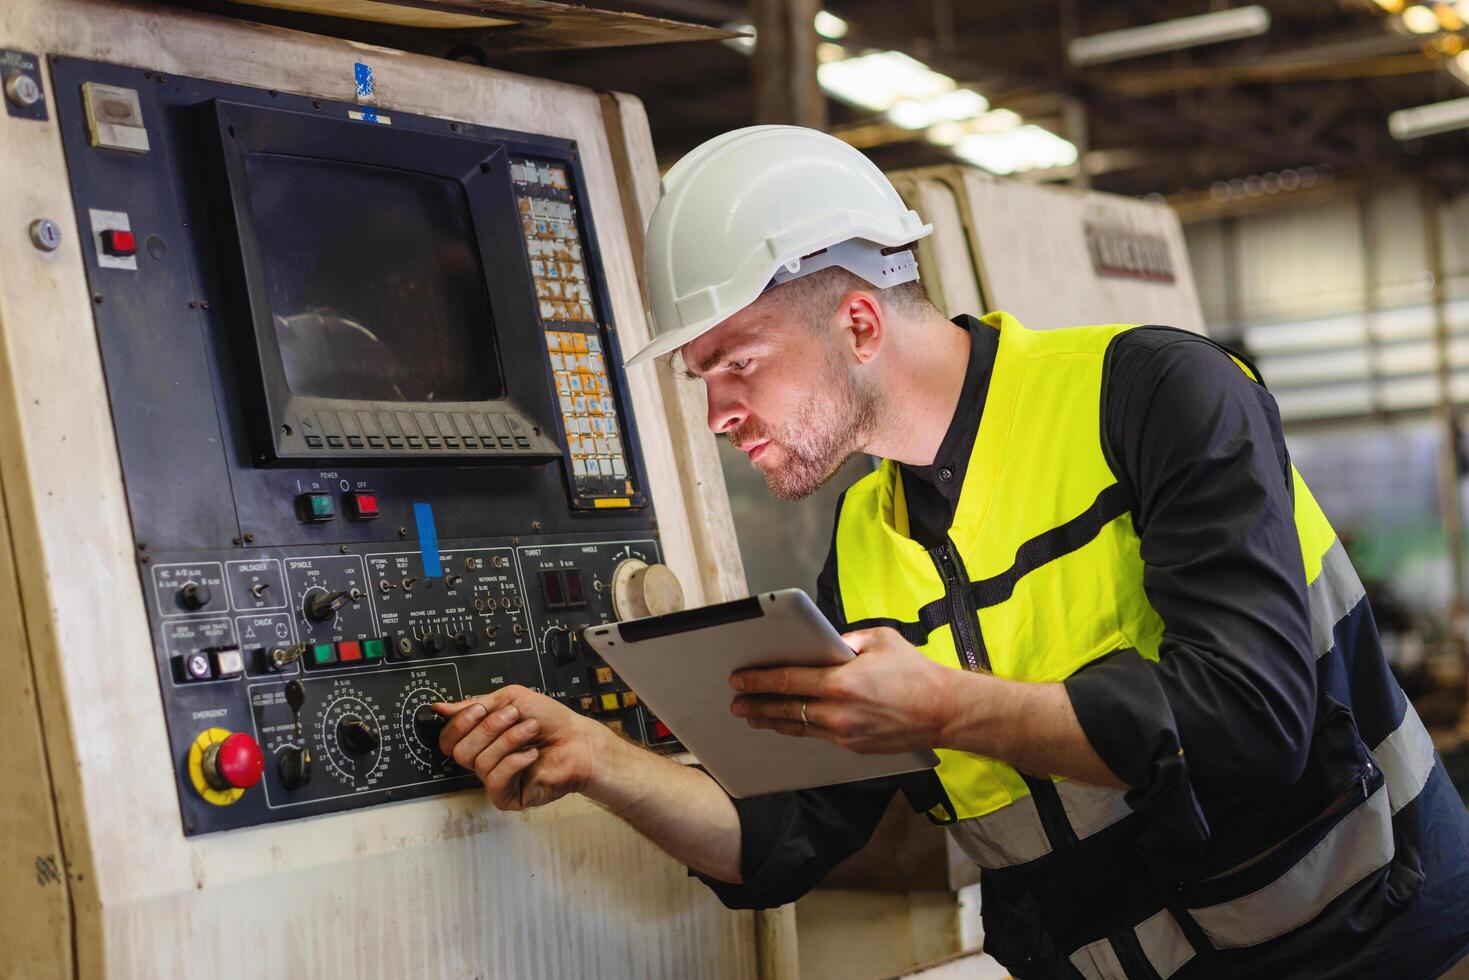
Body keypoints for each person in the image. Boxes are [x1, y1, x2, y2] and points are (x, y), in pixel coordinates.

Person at [434, 126, 1469, 979]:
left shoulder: (1157, 398)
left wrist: (941, 707)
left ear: (854, 320)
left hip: (1383, 945)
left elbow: (1252, 720)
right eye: (700, 379)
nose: (715, 414)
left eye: (734, 364)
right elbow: (788, 832)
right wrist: (599, 761)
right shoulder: (867, 539)